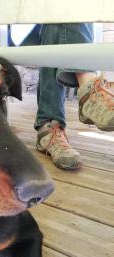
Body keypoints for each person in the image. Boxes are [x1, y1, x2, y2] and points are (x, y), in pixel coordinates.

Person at [8, 24, 114, 170]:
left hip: (52, 30)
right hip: (25, 29)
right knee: (58, 17)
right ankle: (88, 90)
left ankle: (49, 126)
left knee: (55, 26)